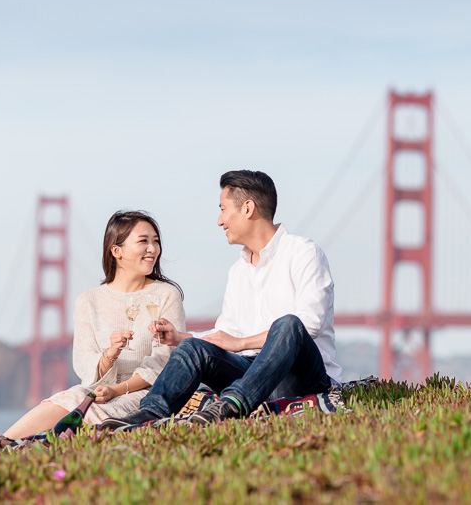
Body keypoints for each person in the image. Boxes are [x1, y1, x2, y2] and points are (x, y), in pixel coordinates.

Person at [101, 170, 341, 429]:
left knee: (288, 325)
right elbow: (227, 333)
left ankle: (231, 405)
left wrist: (240, 343)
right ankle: (148, 414)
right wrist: (181, 338)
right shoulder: (238, 270)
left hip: (301, 376)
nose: (219, 220)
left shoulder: (303, 252)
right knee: (191, 349)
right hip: (250, 375)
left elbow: (310, 324)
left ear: (247, 208)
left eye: (223, 209)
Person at [0, 210, 185, 447]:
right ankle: (4, 442)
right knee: (66, 399)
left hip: (148, 392)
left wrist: (116, 391)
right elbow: (82, 361)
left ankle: (26, 448)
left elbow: (163, 363)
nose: (153, 249)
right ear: (116, 251)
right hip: (99, 388)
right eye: (143, 241)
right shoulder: (88, 301)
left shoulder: (166, 295)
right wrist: (109, 355)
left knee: (89, 412)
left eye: (156, 241)